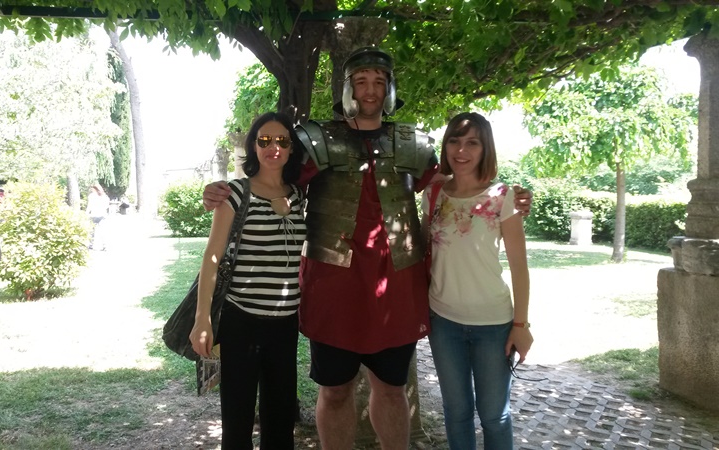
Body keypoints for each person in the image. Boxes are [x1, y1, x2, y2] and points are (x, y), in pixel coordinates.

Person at [202, 47, 533, 449]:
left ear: (389, 88)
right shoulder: (314, 141)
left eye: (379, 81)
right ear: (348, 88)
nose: (370, 90)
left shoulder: (413, 143)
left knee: (392, 389)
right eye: (361, 81)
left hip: (396, 289)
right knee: (335, 391)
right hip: (332, 289)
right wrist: (222, 189)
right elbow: (271, 176)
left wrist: (506, 193)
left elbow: (456, 183)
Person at [189, 112, 307, 449]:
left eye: (282, 140)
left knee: (281, 423)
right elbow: (212, 257)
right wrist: (202, 318)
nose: (274, 147)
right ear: (253, 146)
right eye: (264, 140)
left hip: (285, 324)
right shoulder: (236, 193)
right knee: (237, 422)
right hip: (241, 322)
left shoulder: (299, 196)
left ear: (291, 148)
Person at [422, 112, 533, 449]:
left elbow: (519, 267)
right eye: (454, 141)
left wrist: (521, 325)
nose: (462, 150)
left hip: (493, 325)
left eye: (472, 143)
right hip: (443, 322)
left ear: (486, 149)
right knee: (456, 412)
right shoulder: (434, 193)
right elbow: (423, 249)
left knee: (494, 416)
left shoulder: (503, 196)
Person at [85, 184, 109, 250]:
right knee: (102, 231)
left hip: (93, 215)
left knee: (92, 231)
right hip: (102, 215)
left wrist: (86, 213)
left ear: (94, 189)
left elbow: (89, 206)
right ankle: (105, 246)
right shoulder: (104, 197)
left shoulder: (91, 196)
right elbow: (106, 206)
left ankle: (90, 245)